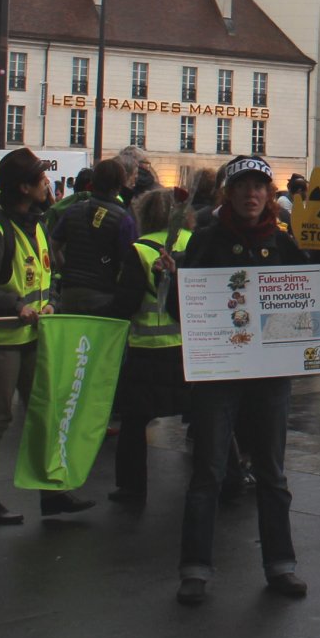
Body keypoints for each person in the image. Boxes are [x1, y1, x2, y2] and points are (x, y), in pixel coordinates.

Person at [167, 155, 309, 606]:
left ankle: (281, 564)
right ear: (228, 193)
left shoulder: (283, 243)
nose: (252, 194)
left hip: (269, 374)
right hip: (220, 374)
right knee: (208, 471)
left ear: (269, 194)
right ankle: (194, 568)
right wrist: (175, 284)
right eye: (244, 186)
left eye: (259, 186)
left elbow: (312, 303)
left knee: (272, 472)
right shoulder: (206, 240)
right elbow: (180, 309)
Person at [0, 149, 88, 526]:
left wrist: (51, 302)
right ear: (24, 187)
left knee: (44, 413)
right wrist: (17, 304)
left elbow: (50, 275)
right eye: (41, 178)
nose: (47, 183)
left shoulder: (36, 224)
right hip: (3, 340)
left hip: (33, 335)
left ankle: (51, 491)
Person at [112, 187, 194, 506]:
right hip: (190, 348)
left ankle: (132, 486)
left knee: (134, 421)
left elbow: (126, 302)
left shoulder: (140, 250)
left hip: (148, 347)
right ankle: (228, 474)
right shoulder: (193, 242)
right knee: (206, 415)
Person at [47, 157, 140, 316]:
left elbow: (53, 245)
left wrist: (66, 270)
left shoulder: (73, 210)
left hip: (70, 292)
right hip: (103, 294)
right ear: (119, 186)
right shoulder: (123, 219)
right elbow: (129, 262)